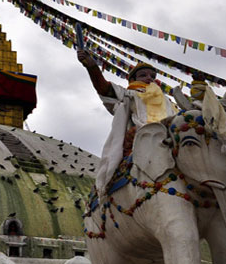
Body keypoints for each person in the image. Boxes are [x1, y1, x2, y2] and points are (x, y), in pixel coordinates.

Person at [76, 49, 177, 194]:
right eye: (143, 75)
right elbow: (104, 88)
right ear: (132, 80)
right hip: (140, 140)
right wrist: (92, 67)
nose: (149, 78)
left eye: (152, 76)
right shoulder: (129, 94)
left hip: (171, 141)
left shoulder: (168, 101)